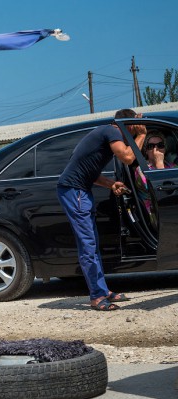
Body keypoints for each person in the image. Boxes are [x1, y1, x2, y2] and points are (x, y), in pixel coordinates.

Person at [57, 109, 147, 311]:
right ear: (128, 124)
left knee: (93, 244)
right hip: (74, 192)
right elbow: (128, 157)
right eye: (135, 126)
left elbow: (90, 173)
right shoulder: (112, 131)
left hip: (79, 190)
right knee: (88, 246)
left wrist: (111, 184)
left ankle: (102, 290)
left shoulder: (105, 133)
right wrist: (141, 135)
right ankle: (97, 297)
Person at [134, 131, 175, 228]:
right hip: (155, 213)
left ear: (165, 148)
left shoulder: (173, 166)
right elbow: (162, 191)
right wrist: (159, 164)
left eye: (160, 145)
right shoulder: (141, 170)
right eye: (151, 146)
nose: (155, 149)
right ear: (146, 151)